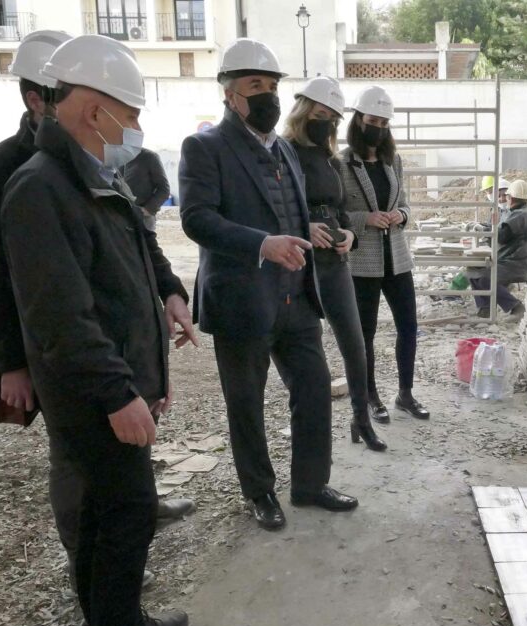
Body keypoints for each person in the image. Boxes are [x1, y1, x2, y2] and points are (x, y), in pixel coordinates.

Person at [0, 30, 194, 600]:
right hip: (81, 378)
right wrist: (16, 364)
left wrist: (165, 300)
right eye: (131, 115)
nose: (137, 130)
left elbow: (137, 251)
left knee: (115, 506)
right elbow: (38, 303)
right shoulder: (32, 182)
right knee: (109, 507)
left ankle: (108, 618)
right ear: (88, 108)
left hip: (108, 367)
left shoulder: (101, 168)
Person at [179, 38, 358, 532]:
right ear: (229, 93)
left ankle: (309, 485)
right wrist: (262, 243)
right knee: (247, 403)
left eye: (274, 85)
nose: (269, 95)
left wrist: (328, 239)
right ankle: (260, 493)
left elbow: (296, 213)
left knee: (315, 388)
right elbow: (196, 219)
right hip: (241, 300)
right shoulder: (204, 147)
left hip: (296, 296)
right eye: (256, 84)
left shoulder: (286, 150)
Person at [282, 76, 386, 451]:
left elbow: (343, 208)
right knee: (307, 353)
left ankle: (361, 419)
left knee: (354, 344)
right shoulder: (283, 151)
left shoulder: (329, 158)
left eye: (331, 117)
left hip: (334, 256)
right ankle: (308, 434)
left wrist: (351, 236)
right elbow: (276, 204)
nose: (325, 121)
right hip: (296, 258)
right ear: (303, 110)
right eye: (320, 113)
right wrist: (302, 225)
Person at [341, 85, 429, 424]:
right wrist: (366, 219)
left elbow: (404, 203)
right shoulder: (343, 163)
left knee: (408, 326)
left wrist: (400, 216)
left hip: (397, 257)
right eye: (372, 119)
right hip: (362, 261)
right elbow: (336, 213)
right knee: (366, 334)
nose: (378, 127)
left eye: (384, 121)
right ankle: (370, 397)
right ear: (359, 120)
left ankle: (405, 393)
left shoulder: (393, 160)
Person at [467, 179, 527, 319]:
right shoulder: (517, 212)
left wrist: (484, 231)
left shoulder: (521, 215)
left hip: (515, 263)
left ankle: (516, 307)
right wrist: (484, 227)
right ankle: (485, 307)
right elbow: (501, 229)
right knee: (472, 270)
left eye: (507, 196)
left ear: (511, 197)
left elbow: (502, 235)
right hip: (510, 259)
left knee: (484, 276)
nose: (504, 198)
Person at [125, 147, 170, 230]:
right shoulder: (116, 157)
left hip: (143, 219)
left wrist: (148, 209)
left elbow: (164, 189)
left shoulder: (149, 157)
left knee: (145, 242)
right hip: (120, 218)